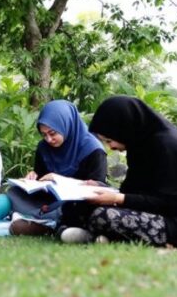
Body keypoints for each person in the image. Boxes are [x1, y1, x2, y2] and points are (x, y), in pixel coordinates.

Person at [71, 95, 177, 248]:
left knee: (104, 216)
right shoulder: (139, 143)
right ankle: (103, 235)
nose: (110, 147)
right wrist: (101, 188)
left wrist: (117, 198)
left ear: (124, 128)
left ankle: (96, 235)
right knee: (82, 203)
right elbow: (132, 191)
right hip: (150, 210)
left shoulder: (167, 145)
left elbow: (169, 202)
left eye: (109, 140)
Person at [9, 100, 108, 237]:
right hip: (48, 200)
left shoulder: (93, 149)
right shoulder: (43, 147)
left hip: (74, 202)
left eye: (53, 133)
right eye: (44, 134)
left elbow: (98, 188)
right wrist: (32, 178)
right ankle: (48, 222)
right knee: (13, 193)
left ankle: (45, 224)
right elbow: (41, 177)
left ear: (67, 125)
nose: (49, 139)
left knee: (76, 206)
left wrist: (61, 180)